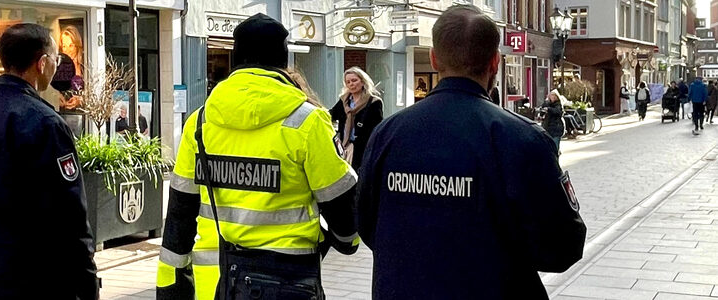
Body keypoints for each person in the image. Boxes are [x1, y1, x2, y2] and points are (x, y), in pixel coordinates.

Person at [355, 6, 586, 299]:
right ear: (495, 62)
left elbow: (366, 223)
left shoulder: (388, 134)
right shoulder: (522, 139)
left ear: (435, 59)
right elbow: (563, 247)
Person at [156, 13, 359, 300]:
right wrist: (347, 239)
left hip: (214, 282)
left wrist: (169, 287)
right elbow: (340, 201)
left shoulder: (199, 123)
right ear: (283, 61)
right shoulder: (307, 121)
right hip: (287, 282)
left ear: (235, 60)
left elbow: (179, 215)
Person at [0, 23, 98, 299]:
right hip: (29, 281)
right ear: (42, 63)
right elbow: (70, 216)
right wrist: (87, 284)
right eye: (55, 58)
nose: (56, 65)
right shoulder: (44, 123)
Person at [330, 67, 384, 170]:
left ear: (363, 82)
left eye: (354, 80)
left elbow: (377, 128)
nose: (351, 84)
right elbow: (331, 115)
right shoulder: (344, 101)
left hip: (362, 148)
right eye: (348, 82)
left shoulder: (373, 102)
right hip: (344, 146)